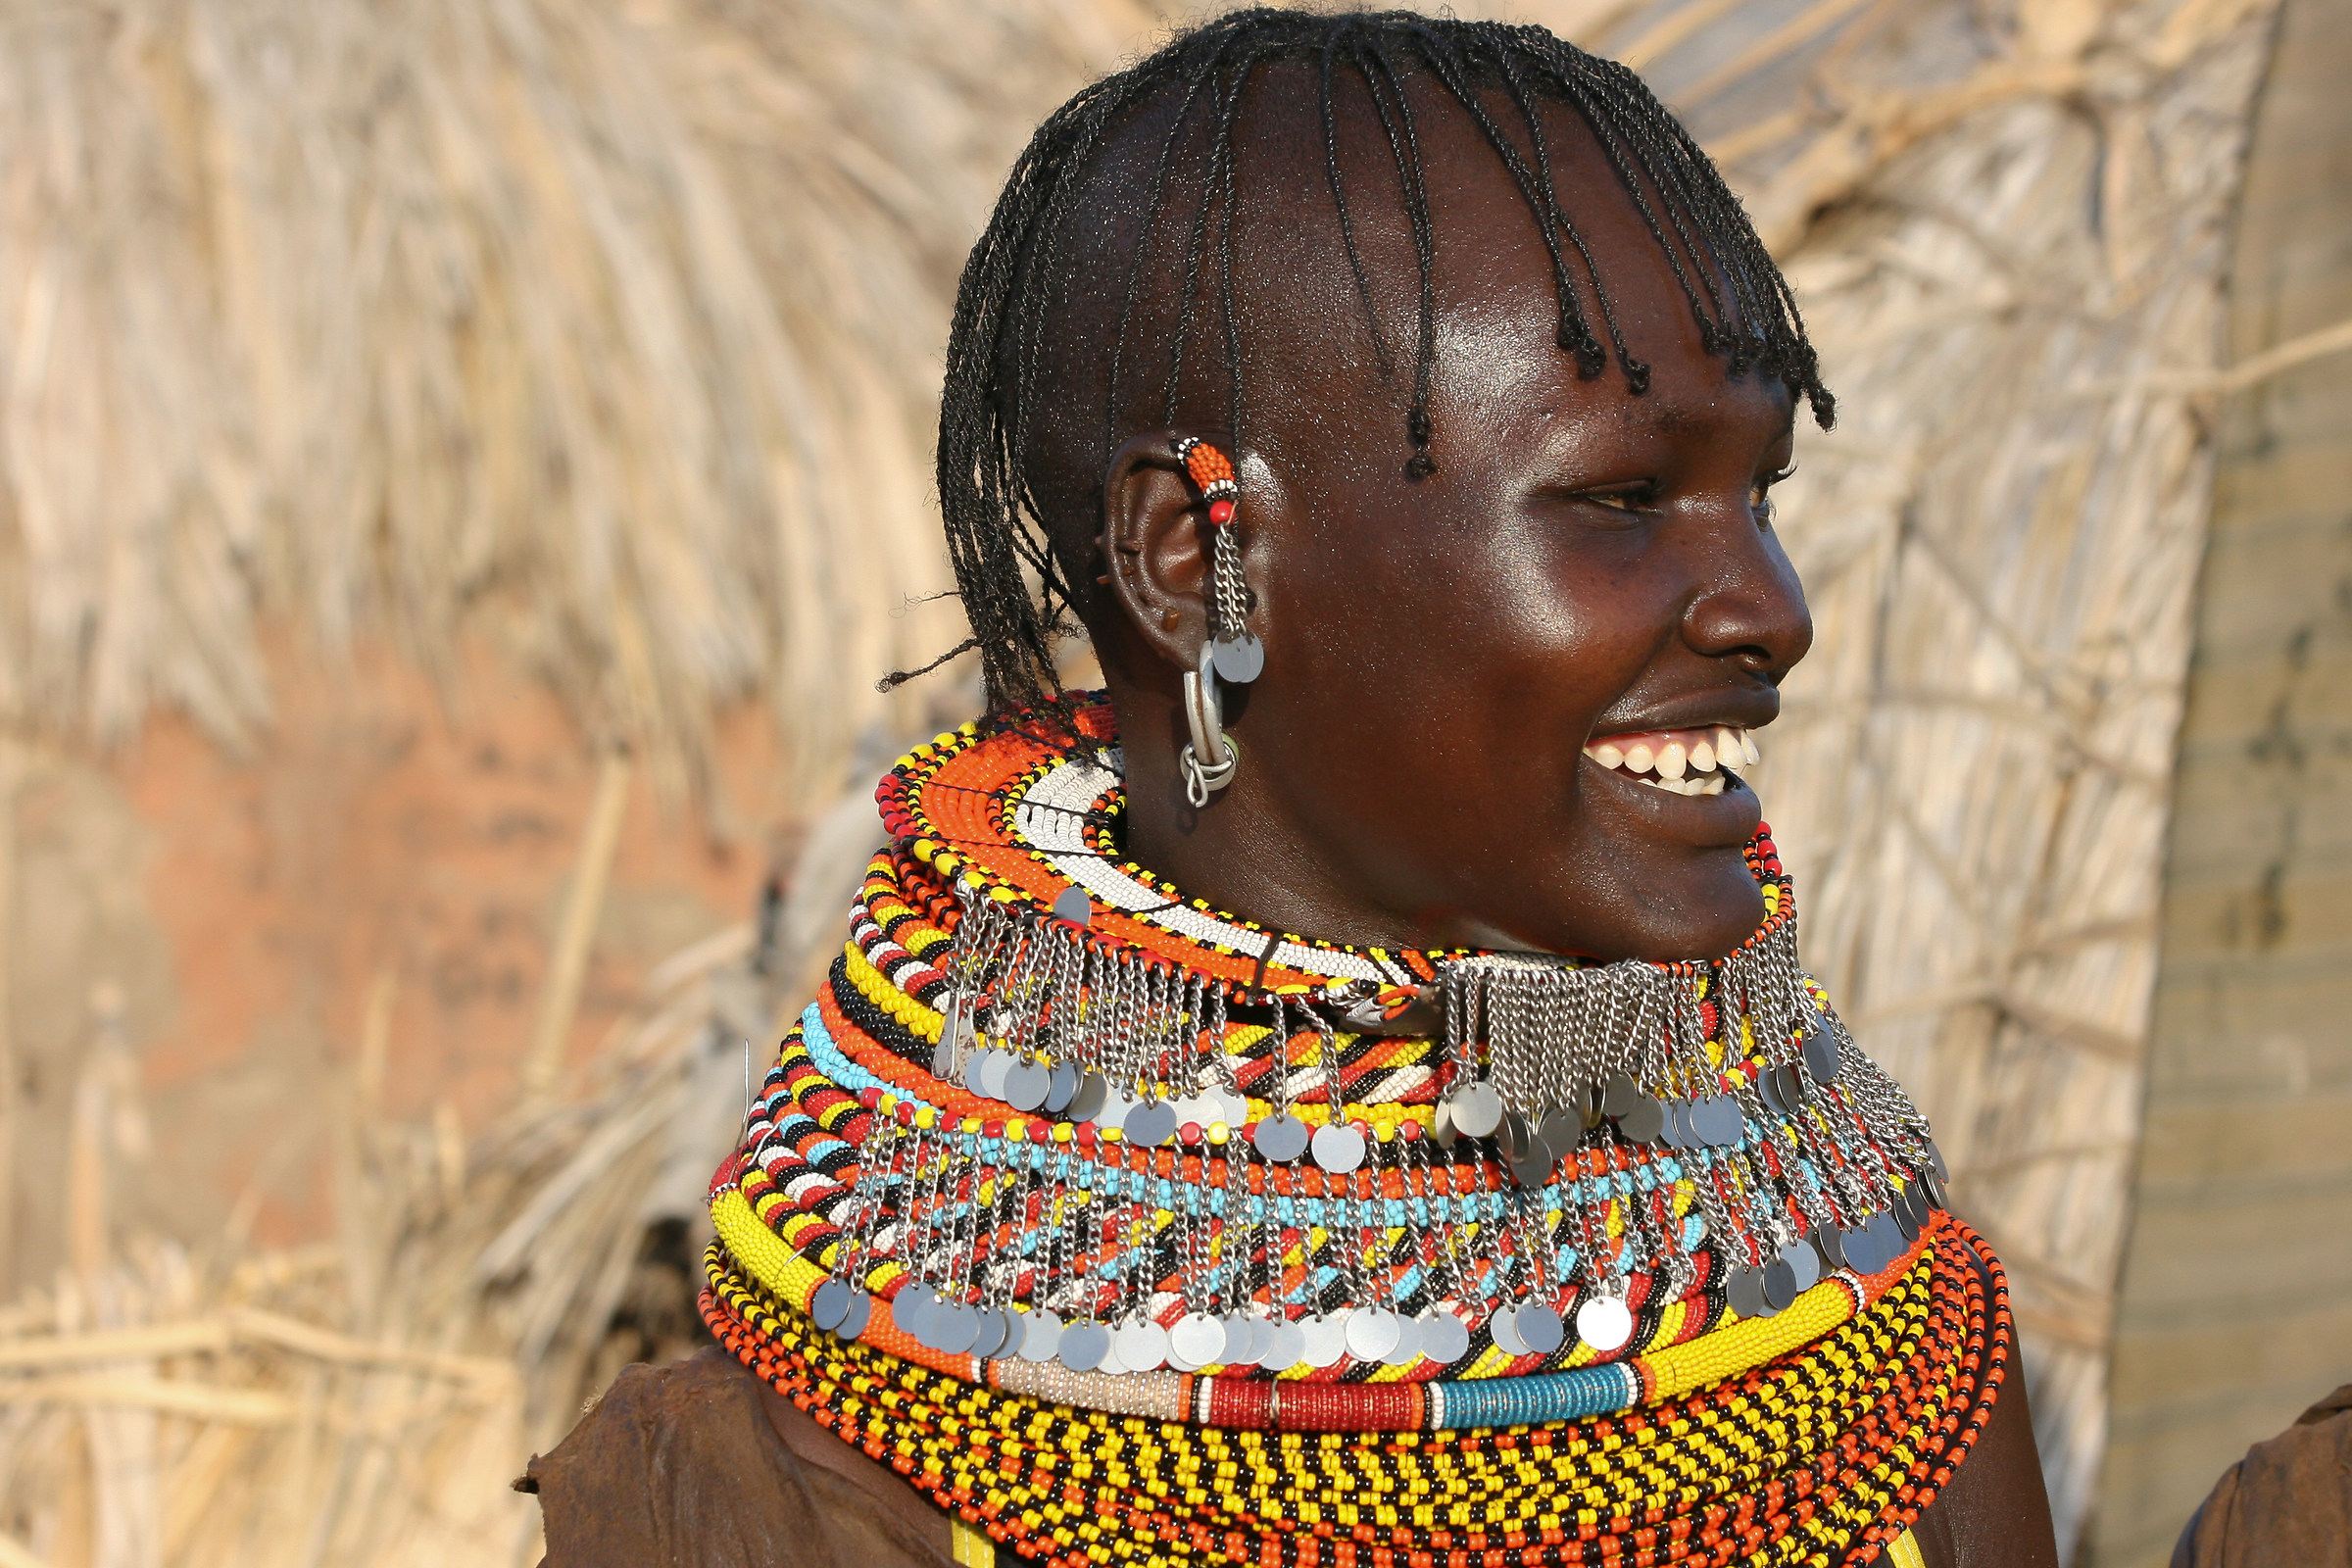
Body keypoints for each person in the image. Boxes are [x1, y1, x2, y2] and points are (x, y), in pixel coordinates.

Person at [522, 11, 2061, 1565]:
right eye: (1621, 497)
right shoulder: (771, 1509)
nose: (1769, 608)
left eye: (1760, 492)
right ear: (1199, 562)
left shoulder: (1890, 1365)